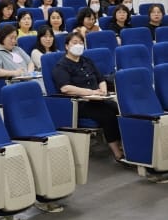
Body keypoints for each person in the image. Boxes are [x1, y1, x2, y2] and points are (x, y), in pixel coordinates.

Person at [52, 32, 124, 162]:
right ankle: (117, 152)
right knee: (107, 115)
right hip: (80, 103)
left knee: (119, 109)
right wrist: (89, 92)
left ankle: (124, 144)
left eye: (80, 43)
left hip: (98, 99)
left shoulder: (87, 61)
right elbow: (65, 88)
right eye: (74, 43)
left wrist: (102, 91)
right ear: (67, 46)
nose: (78, 45)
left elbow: (101, 79)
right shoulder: (61, 65)